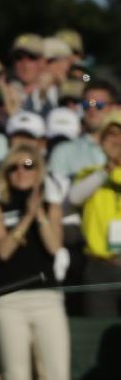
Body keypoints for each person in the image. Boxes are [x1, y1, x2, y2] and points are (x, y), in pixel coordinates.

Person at [0, 144, 69, 380]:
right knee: (16, 374)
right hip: (10, 300)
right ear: (6, 173)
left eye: (28, 165)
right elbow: (3, 251)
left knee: (56, 372)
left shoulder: (51, 207)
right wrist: (27, 217)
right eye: (13, 167)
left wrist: (39, 213)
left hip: (47, 298)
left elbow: (54, 247)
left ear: (39, 170)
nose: (21, 171)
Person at [70, 110, 121, 317]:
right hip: (100, 266)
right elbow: (74, 197)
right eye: (112, 134)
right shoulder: (91, 174)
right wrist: (108, 168)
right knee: (99, 331)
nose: (118, 140)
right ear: (101, 141)